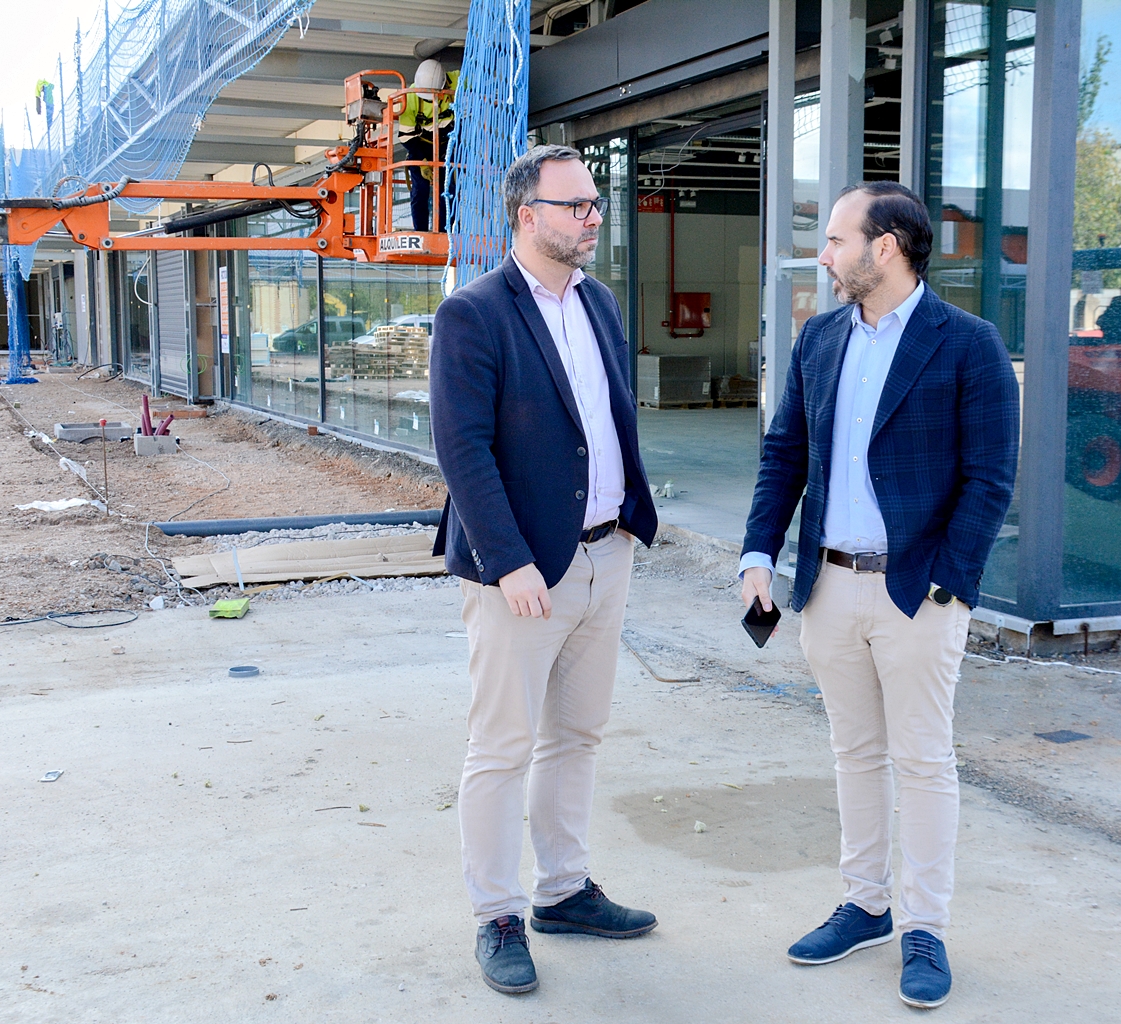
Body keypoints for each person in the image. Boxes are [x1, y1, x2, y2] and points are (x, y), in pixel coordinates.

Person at [738, 181, 1019, 1009]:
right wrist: (759, 552)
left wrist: (950, 584)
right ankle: (865, 903)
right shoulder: (820, 337)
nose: (824, 256)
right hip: (828, 586)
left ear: (885, 247)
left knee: (923, 761)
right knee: (854, 752)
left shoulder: (968, 344)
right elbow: (784, 453)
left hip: (916, 594)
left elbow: (990, 477)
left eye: (836, 240)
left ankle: (924, 927)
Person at [429, 144, 660, 996]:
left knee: (577, 735)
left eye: (595, 203)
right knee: (502, 746)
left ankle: (562, 890)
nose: (593, 217)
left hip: (606, 553)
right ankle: (497, 913)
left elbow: (606, 421)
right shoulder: (474, 313)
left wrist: (628, 523)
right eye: (576, 206)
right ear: (527, 217)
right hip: (521, 574)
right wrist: (509, 561)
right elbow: (462, 449)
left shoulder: (599, 302)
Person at [398, 59, 457, 232]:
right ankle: (421, 231)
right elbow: (407, 137)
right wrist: (422, 160)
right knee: (420, 189)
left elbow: (479, 76)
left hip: (448, 145)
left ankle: (445, 232)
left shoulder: (458, 80)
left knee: (448, 190)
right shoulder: (411, 97)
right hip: (420, 146)